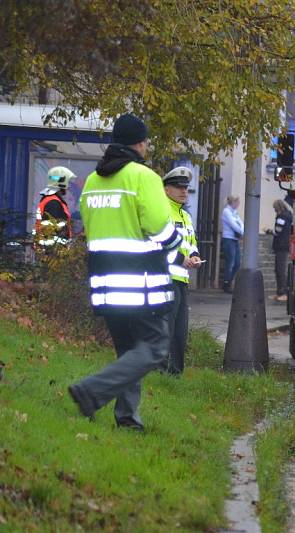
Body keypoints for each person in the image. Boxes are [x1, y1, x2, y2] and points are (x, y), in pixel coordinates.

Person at [67, 113, 183, 431]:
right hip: (141, 283)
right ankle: (90, 391)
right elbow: (161, 229)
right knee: (155, 348)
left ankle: (127, 418)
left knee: (129, 353)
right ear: (140, 143)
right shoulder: (142, 177)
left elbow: (90, 229)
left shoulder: (92, 181)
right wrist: (178, 245)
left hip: (106, 284)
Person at [162, 166, 203, 374]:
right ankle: (160, 372)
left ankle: (175, 373)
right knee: (166, 329)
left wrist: (194, 256)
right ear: (167, 189)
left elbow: (191, 242)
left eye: (186, 188)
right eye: (178, 187)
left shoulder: (186, 216)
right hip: (166, 277)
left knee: (180, 331)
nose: (184, 191)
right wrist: (181, 260)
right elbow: (158, 246)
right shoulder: (162, 212)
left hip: (181, 279)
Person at [33, 166, 76, 251]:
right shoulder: (53, 203)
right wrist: (56, 252)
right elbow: (52, 231)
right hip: (53, 252)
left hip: (50, 250)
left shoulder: (49, 200)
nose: (67, 187)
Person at [267, 198, 292, 301]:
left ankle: (283, 292)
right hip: (285, 245)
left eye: (274, 208)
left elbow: (277, 231)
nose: (274, 210)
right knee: (280, 269)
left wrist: (268, 231)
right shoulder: (289, 215)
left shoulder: (281, 217)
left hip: (281, 246)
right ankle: (280, 292)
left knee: (280, 270)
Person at [221, 195, 244, 293]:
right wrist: (242, 232)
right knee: (231, 262)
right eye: (237, 202)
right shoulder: (226, 211)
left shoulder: (234, 212)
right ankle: (226, 284)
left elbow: (241, 223)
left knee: (237, 263)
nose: (238, 204)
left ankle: (229, 281)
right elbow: (233, 225)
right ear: (233, 202)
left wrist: (242, 231)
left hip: (235, 239)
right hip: (228, 239)